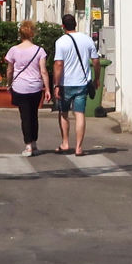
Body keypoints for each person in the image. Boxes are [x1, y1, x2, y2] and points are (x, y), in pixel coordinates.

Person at [51, 14, 102, 157]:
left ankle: (65, 143)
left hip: (65, 84)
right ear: (75, 24)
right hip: (82, 83)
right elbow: (96, 61)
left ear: (63, 26)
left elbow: (58, 64)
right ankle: (79, 147)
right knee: (80, 114)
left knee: (64, 113)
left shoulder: (61, 42)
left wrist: (56, 84)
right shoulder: (87, 39)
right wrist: (96, 78)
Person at [3, 19, 51, 158]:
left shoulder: (13, 50)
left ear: (21, 34)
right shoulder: (39, 50)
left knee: (25, 116)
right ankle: (34, 144)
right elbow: (43, 71)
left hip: (20, 87)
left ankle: (28, 145)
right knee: (34, 115)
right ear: (32, 34)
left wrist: (8, 83)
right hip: (35, 87)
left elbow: (10, 70)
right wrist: (47, 88)